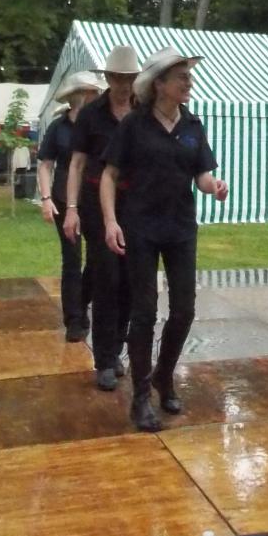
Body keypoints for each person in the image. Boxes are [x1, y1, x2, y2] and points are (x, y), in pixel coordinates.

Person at [101, 46, 228, 431]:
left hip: (180, 228)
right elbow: (109, 175)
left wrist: (214, 186)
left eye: (189, 76)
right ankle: (141, 397)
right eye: (182, 77)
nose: (189, 82)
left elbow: (201, 174)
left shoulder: (193, 125)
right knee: (144, 312)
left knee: (184, 309)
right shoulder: (134, 125)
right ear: (159, 84)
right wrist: (110, 221)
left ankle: (164, 375)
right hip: (140, 227)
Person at [63, 46, 140, 392]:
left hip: (136, 206)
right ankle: (105, 359)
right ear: (108, 78)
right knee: (106, 279)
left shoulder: (144, 110)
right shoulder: (91, 114)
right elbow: (77, 164)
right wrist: (71, 208)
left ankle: (118, 348)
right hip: (97, 205)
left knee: (130, 283)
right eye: (118, 78)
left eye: (129, 78)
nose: (124, 85)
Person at [37, 71, 106, 343]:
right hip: (64, 200)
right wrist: (46, 199)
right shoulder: (59, 127)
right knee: (72, 259)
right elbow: (45, 165)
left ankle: (82, 300)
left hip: (95, 199)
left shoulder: (99, 125)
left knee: (98, 258)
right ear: (82, 96)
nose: (98, 95)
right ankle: (74, 320)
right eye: (94, 92)